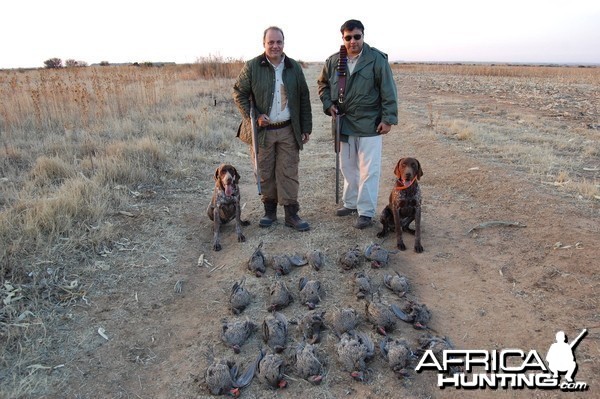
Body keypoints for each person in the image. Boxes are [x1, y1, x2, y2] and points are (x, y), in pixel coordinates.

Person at [317, 19, 398, 229]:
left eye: (357, 37)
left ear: (363, 35)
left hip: (370, 123)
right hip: (343, 123)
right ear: (342, 37)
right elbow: (323, 85)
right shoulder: (334, 61)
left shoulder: (376, 59)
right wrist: (329, 105)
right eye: (348, 37)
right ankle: (351, 203)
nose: (353, 41)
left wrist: (387, 119)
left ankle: (366, 211)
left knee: (369, 170)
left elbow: (388, 90)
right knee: (347, 167)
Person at [233, 26, 312, 231]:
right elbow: (238, 93)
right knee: (265, 172)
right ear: (264, 44)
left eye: (279, 42)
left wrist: (306, 127)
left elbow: (304, 97)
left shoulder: (294, 67)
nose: (275, 46)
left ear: (284, 43)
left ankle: (291, 214)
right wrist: (256, 116)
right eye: (271, 42)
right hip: (262, 132)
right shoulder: (251, 67)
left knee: (288, 171)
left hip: (287, 129)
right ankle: (269, 212)